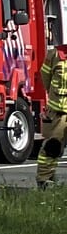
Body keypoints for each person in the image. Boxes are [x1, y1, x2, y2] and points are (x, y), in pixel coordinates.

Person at [36, 45, 67, 190]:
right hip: (60, 112)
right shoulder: (55, 54)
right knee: (52, 147)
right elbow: (45, 77)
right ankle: (45, 180)